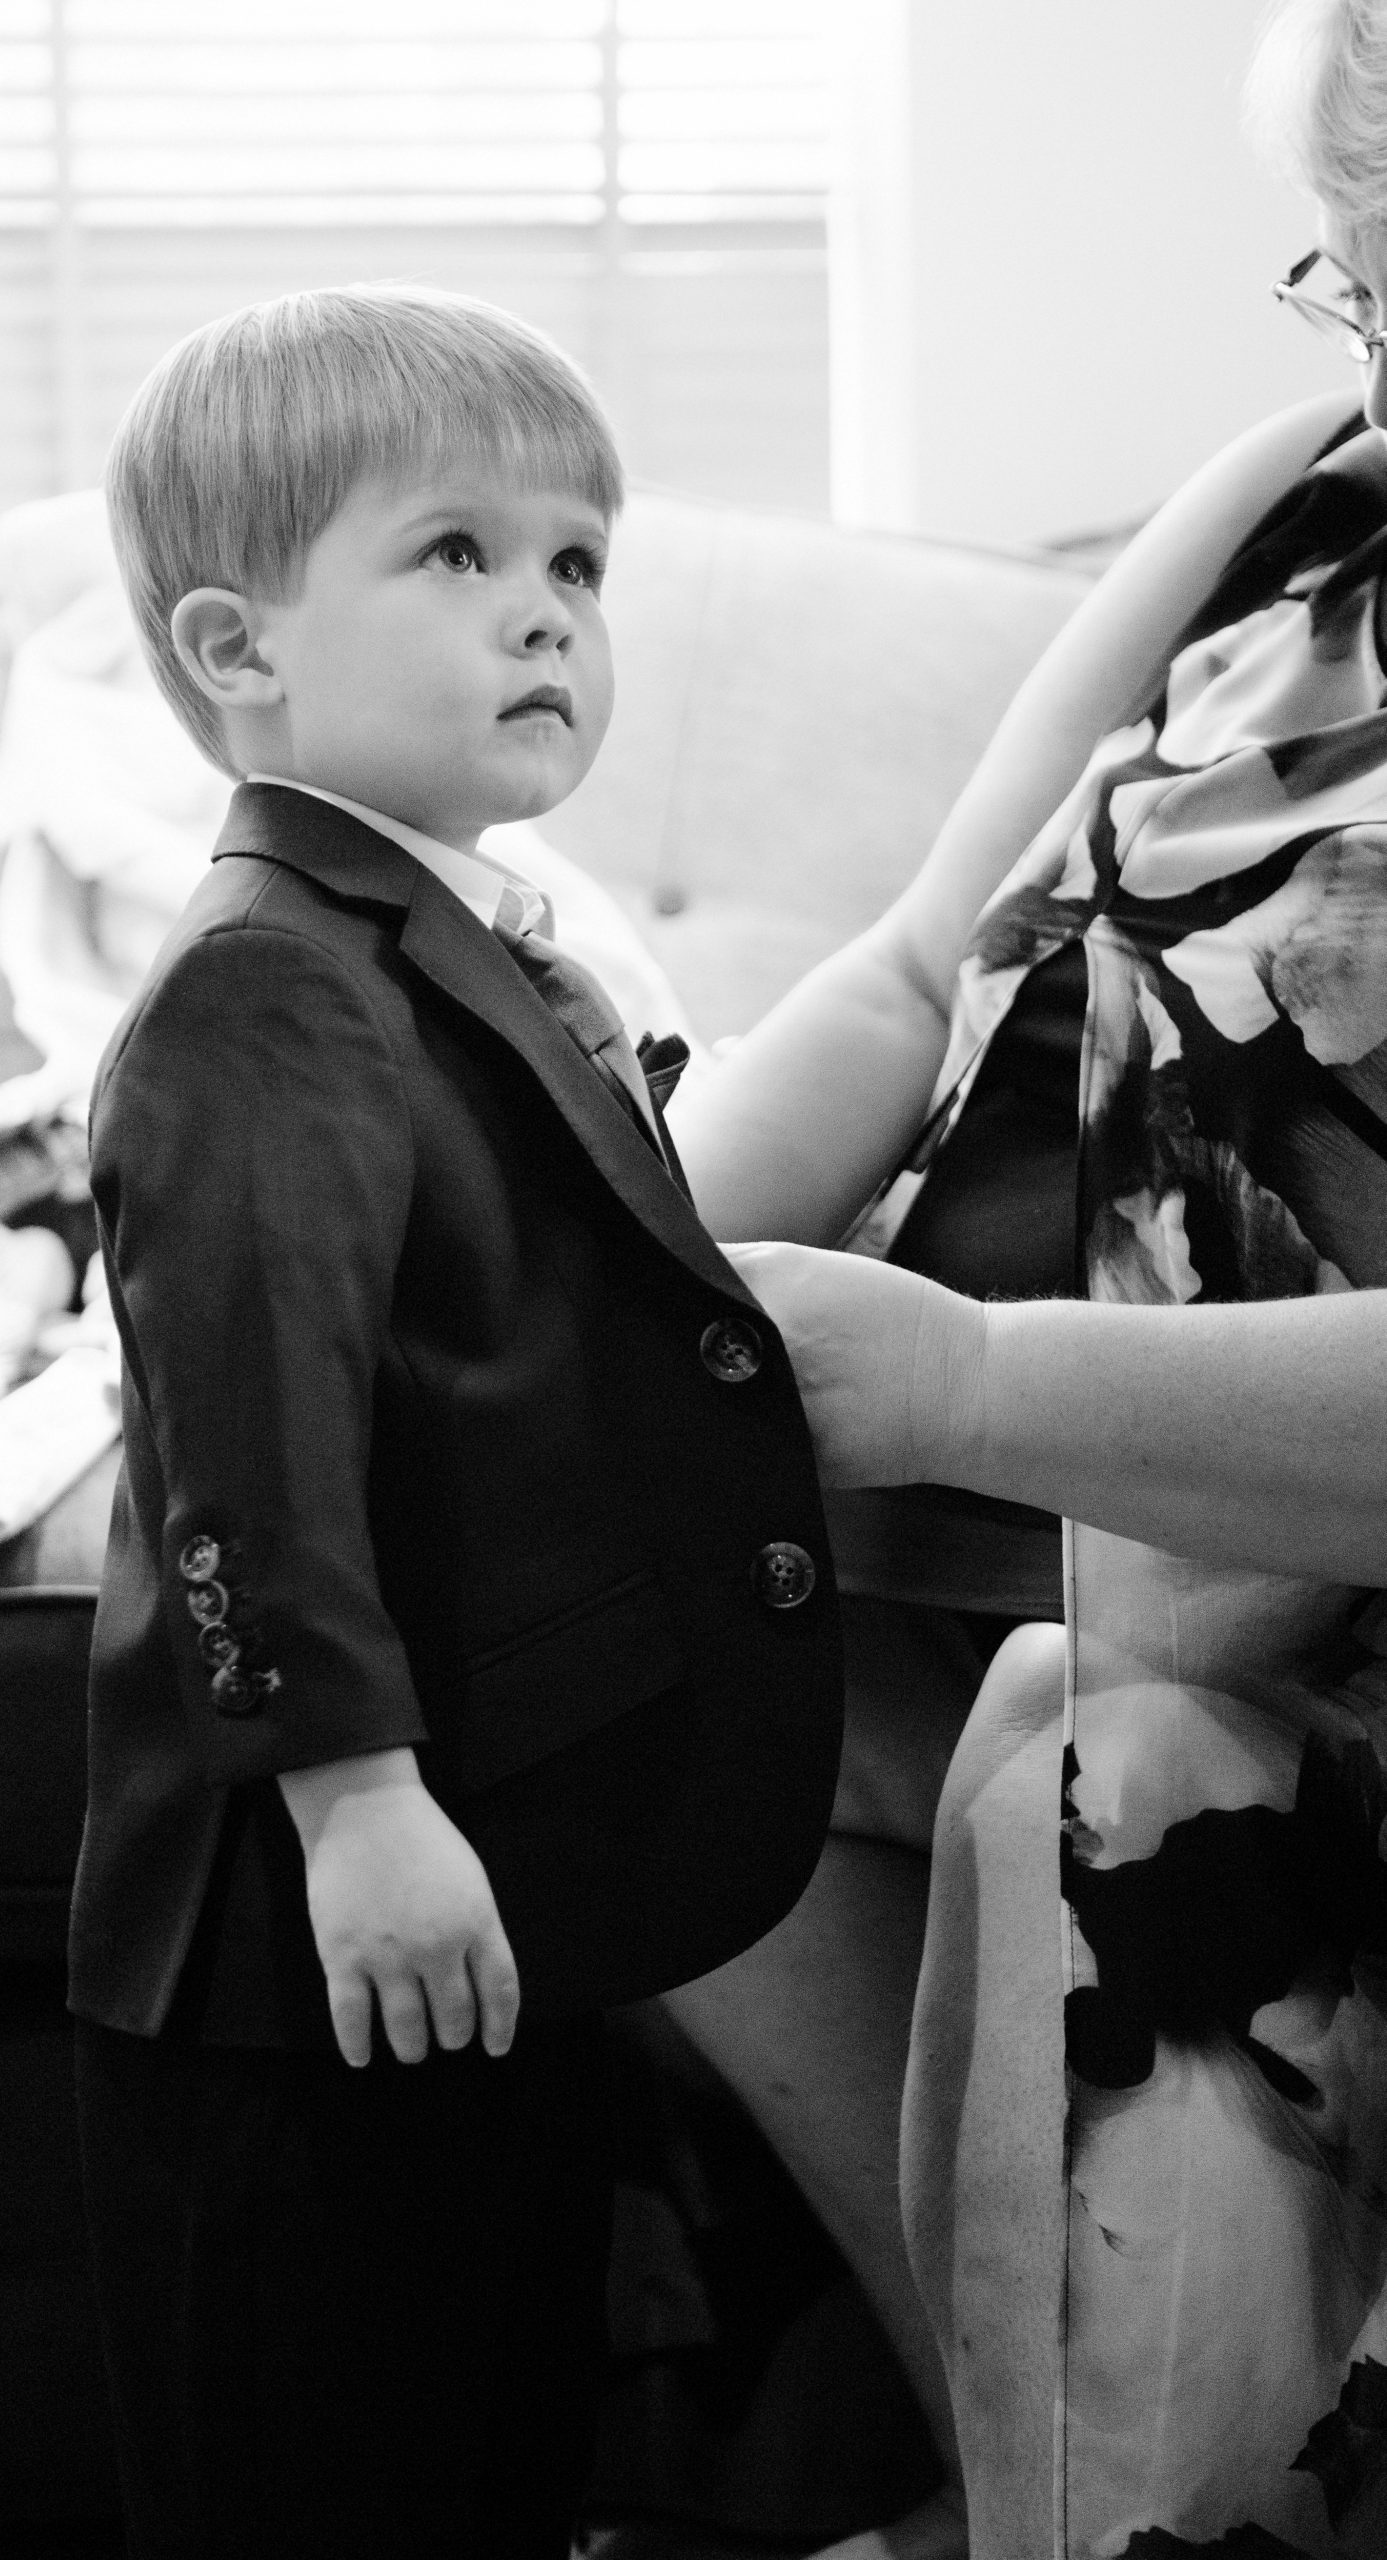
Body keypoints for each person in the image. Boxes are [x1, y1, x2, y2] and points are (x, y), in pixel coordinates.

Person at [663, 5, 1387, 2553]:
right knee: (570, 1657)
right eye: (1348, 279)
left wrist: (966, 1378)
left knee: (1065, 1755)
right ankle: (1002, 2468)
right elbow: (899, 972)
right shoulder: (1288, 494)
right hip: (993, 1491)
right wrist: (601, 1271)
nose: (1360, 366)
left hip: (1272, 1557)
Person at [67, 283, 843, 2560]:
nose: (545, 612)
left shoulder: (463, 943)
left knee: (488, 2428)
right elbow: (248, 1445)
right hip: (300, 1934)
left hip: (489, 1870)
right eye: (457, 553)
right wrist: (355, 1792)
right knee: (326, 2456)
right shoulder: (264, 988)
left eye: (579, 562)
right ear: (239, 650)